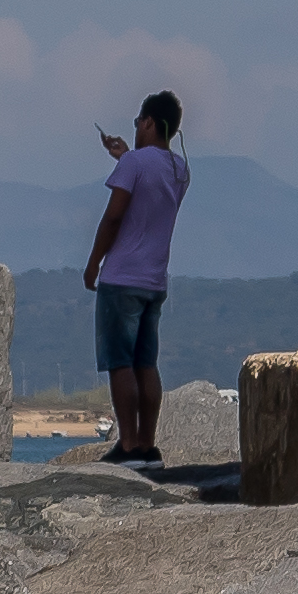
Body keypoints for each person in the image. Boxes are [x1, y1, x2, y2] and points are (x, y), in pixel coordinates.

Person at [84, 90, 193, 462]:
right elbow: (151, 174)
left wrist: (94, 261)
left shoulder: (132, 166)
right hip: (155, 281)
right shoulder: (181, 170)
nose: (134, 129)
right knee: (147, 363)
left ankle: (127, 444)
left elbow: (114, 216)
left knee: (120, 362)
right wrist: (126, 155)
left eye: (137, 123)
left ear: (147, 122)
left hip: (122, 276)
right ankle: (148, 443)